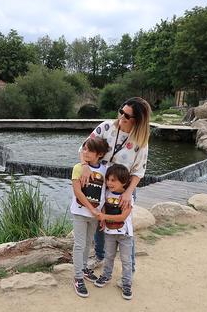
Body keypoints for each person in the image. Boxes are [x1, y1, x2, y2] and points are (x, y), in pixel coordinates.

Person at [80, 97, 151, 273]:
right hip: (99, 187)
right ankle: (100, 256)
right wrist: (84, 166)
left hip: (122, 191)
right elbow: (84, 148)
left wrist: (128, 193)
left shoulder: (140, 141)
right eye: (121, 111)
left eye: (127, 116)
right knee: (99, 222)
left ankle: (130, 267)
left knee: (124, 230)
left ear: (137, 120)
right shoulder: (107, 127)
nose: (121, 117)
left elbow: (138, 171)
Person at [71, 137, 110, 298]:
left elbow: (105, 193)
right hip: (81, 213)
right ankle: (78, 277)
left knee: (89, 242)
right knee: (79, 244)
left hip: (96, 214)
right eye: (84, 149)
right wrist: (91, 209)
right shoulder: (78, 168)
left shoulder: (105, 170)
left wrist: (102, 215)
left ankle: (84, 268)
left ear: (99, 154)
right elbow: (77, 191)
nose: (84, 152)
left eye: (89, 150)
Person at [94, 164, 134, 300]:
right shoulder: (106, 193)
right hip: (109, 233)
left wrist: (104, 217)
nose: (109, 183)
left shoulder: (127, 197)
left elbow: (123, 217)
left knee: (126, 260)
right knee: (109, 256)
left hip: (125, 235)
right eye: (108, 179)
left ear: (124, 182)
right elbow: (104, 207)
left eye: (113, 180)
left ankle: (127, 283)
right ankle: (106, 276)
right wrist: (103, 219)